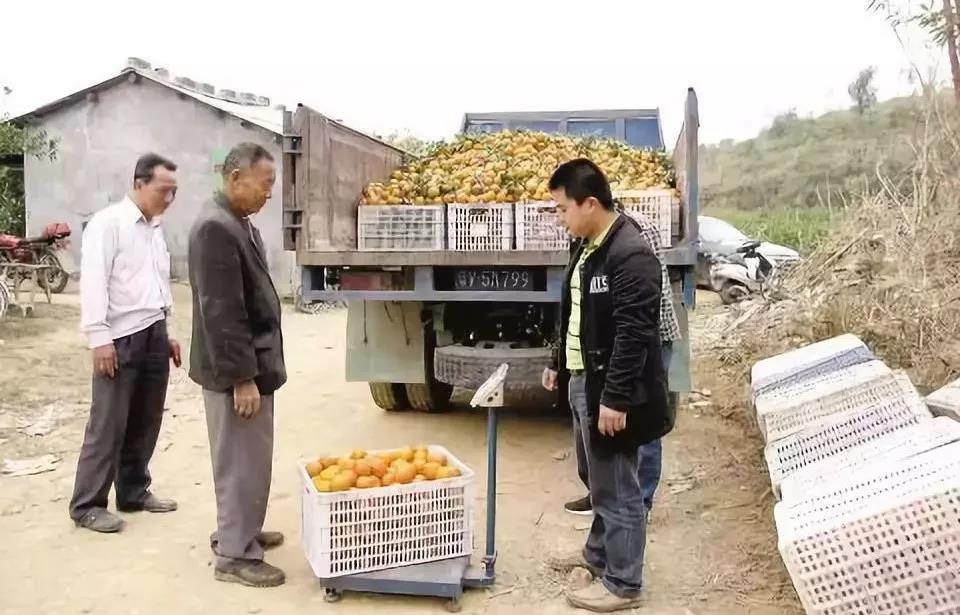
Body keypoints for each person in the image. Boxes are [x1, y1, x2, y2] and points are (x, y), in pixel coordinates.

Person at [542, 158, 674, 612]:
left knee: (619, 488)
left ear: (590, 203)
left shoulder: (630, 253)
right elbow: (574, 310)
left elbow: (635, 335)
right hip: (585, 379)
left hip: (612, 390)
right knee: (599, 481)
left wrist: (615, 399)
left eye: (562, 209)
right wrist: (558, 362)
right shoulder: (587, 244)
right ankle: (597, 557)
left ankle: (623, 584)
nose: (559, 219)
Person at [187, 142, 287, 588]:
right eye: (265, 185)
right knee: (239, 461)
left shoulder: (238, 222)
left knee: (251, 458)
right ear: (235, 178)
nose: (269, 194)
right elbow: (222, 312)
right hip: (236, 372)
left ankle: (243, 529)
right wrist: (241, 378)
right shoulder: (215, 228)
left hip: (251, 365)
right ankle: (234, 553)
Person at [70, 153, 181, 533]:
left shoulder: (155, 228)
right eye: (162, 190)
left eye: (174, 192)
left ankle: (133, 490)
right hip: (119, 336)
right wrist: (98, 338)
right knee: (108, 423)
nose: (168, 198)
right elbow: (94, 282)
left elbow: (158, 281)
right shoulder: (108, 224)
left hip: (152, 330)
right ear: (138, 183)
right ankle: (87, 504)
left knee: (146, 418)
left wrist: (168, 331)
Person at [562, 206, 682, 518]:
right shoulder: (587, 239)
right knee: (594, 432)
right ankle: (603, 496)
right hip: (610, 342)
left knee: (641, 421)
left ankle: (639, 501)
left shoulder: (633, 234)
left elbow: (637, 311)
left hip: (648, 338)